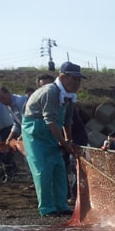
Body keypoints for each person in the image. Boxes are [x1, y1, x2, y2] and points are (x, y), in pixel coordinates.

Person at [21, 61, 84, 217]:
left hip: (52, 131)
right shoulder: (51, 91)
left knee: (58, 168)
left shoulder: (70, 97)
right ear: (62, 77)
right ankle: (47, 208)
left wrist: (68, 141)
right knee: (43, 170)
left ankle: (61, 205)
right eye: (73, 79)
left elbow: (67, 121)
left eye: (79, 79)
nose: (77, 83)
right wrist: (63, 142)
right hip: (36, 132)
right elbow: (49, 120)